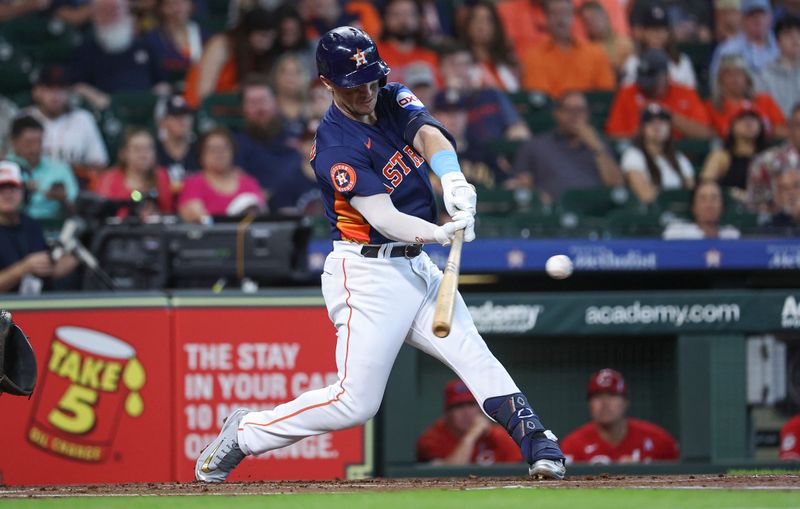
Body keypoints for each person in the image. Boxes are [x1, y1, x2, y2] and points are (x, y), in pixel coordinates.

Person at [194, 26, 566, 483]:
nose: (367, 92)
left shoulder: (389, 95)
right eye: (355, 86)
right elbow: (383, 216)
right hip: (366, 272)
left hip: (415, 263)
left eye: (372, 80)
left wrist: (452, 180)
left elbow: (430, 136)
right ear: (328, 84)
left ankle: (538, 443)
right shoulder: (335, 147)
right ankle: (246, 432)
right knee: (356, 402)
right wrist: (439, 231)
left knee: (474, 355)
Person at [511, 91, 624, 204]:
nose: (574, 116)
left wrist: (597, 148)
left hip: (597, 210)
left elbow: (616, 185)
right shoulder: (535, 145)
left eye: (580, 110)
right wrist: (539, 196)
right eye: (568, 110)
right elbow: (522, 182)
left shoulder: (600, 145)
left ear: (588, 114)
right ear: (557, 113)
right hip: (554, 211)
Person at [561, 369, 680, 464]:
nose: (604, 403)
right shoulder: (572, 445)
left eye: (612, 395)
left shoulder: (660, 440)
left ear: (626, 401)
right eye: (597, 396)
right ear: (589, 404)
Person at [234, 76, 315, 213]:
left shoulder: (298, 134)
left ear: (276, 102)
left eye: (264, 101)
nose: (260, 108)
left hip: (305, 202)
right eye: (253, 103)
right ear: (243, 109)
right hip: (264, 212)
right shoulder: (236, 143)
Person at [71, 0, 169, 111]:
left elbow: (162, 83)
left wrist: (155, 99)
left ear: (126, 13)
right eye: (104, 11)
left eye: (115, 10)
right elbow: (77, 86)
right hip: (107, 114)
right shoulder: (85, 51)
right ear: (95, 16)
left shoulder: (145, 46)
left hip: (147, 112)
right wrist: (97, 98)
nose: (111, 16)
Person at [0, 160, 78, 294]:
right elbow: (27, 267)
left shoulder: (31, 225)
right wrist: (22, 269)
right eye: (1, 189)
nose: (8, 194)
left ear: (24, 192)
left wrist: (68, 261)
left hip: (37, 306)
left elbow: (47, 270)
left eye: (13, 187)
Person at [435, 44, 530, 150]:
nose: (461, 71)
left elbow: (519, 129)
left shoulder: (491, 94)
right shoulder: (438, 103)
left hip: (498, 153)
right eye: (454, 65)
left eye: (466, 64)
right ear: (441, 69)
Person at [606, 48, 713, 140]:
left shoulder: (685, 93)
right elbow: (613, 135)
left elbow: (705, 133)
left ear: (666, 76)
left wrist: (667, 116)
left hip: (678, 156)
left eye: (653, 81)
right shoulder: (628, 92)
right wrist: (643, 130)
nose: (647, 86)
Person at [184, 7, 278, 108]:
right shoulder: (222, 45)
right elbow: (203, 92)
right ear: (248, 33)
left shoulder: (261, 55)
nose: (267, 43)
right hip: (202, 108)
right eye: (262, 35)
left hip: (233, 111)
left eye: (271, 37)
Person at [521, 0, 616, 98]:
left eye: (565, 13)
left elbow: (605, 95)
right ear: (546, 18)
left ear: (573, 17)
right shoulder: (534, 58)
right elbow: (539, 99)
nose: (560, 19)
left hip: (589, 111)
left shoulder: (596, 53)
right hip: (552, 112)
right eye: (554, 13)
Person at [416, 379, 523, 465]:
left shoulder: (498, 436)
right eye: (459, 406)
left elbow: (519, 473)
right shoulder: (432, 439)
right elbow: (448, 477)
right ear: (447, 413)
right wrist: (471, 436)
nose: (467, 413)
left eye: (471, 405)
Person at [23, 65, 109, 170]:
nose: (55, 95)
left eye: (61, 88)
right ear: (37, 92)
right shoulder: (24, 119)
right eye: (49, 88)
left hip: (77, 184)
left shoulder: (83, 119)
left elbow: (99, 164)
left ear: (69, 93)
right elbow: (13, 163)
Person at [178, 127, 266, 223]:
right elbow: (195, 216)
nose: (219, 154)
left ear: (233, 151)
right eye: (212, 149)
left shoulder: (249, 182)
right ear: (201, 155)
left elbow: (262, 216)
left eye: (224, 148)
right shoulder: (194, 183)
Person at [7, 116, 79, 227]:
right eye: (29, 143)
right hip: (10, 228)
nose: (35, 148)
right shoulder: (4, 168)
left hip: (54, 228)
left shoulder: (60, 169)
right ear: (14, 142)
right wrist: (23, 192)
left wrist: (62, 199)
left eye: (39, 142)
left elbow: (75, 208)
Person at [620, 104, 695, 204]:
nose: (657, 124)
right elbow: (645, 195)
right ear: (642, 128)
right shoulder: (633, 155)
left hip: (681, 213)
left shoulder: (679, 158)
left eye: (662, 121)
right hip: (652, 215)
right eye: (650, 121)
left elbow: (691, 192)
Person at [97, 128, 174, 220]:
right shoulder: (110, 178)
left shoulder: (161, 177)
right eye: (137, 149)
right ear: (124, 153)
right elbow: (102, 211)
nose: (143, 155)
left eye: (148, 148)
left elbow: (167, 211)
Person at [706, 55, 787, 139]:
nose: (735, 79)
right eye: (729, 74)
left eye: (739, 73)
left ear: (748, 78)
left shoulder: (765, 101)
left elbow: (781, 129)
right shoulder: (711, 107)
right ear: (720, 80)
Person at [621, 3, 698, 89]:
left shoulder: (682, 61)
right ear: (644, 32)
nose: (657, 35)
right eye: (653, 29)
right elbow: (629, 94)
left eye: (662, 30)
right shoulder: (634, 62)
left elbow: (690, 94)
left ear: (668, 33)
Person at [709, 0, 779, 87]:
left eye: (762, 14)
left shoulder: (782, 48)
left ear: (770, 17)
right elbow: (716, 85)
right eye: (752, 15)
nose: (758, 20)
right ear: (742, 19)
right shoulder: (728, 50)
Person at [746, 104, 800, 212]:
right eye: (799, 125)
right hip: (779, 225)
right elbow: (756, 208)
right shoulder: (765, 162)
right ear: (790, 129)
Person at [458, 1, 520, 93]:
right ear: (468, 25)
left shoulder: (509, 64)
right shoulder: (458, 63)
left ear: (496, 27)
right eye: (476, 19)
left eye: (487, 20)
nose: (481, 25)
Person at [700, 107, 767, 193]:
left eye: (753, 118)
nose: (749, 122)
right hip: (731, 204)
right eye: (742, 118)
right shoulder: (721, 157)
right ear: (732, 125)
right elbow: (705, 185)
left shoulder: (769, 156)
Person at [142, 0, 207, 85]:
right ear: (161, 8)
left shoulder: (206, 37)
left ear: (191, 6)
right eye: (171, 3)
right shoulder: (151, 41)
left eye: (183, 2)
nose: (178, 7)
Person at [376, 0, 439, 85]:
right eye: (396, 15)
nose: (403, 20)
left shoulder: (430, 57)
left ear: (419, 18)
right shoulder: (375, 55)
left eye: (409, 14)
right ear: (385, 19)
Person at [662, 180, 741, 239]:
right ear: (693, 207)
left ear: (723, 206)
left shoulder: (731, 235)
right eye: (703, 199)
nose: (709, 204)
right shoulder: (677, 234)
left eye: (714, 198)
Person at [756, 16, 800, 118]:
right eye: (788, 35)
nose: (795, 39)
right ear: (777, 42)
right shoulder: (764, 76)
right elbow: (763, 113)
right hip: (778, 130)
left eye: (799, 34)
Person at [155, 94, 199, 192]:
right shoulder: (153, 150)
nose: (182, 121)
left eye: (186, 115)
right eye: (176, 116)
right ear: (163, 121)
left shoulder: (200, 149)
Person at [578, 1, 634, 75]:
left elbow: (631, 72)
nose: (590, 23)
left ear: (605, 16)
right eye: (586, 21)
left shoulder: (624, 43)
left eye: (593, 18)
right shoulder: (584, 49)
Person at [271, 53, 313, 140]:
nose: (290, 77)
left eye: (297, 72)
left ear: (306, 76)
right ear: (275, 76)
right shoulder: (268, 107)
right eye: (285, 72)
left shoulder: (315, 108)